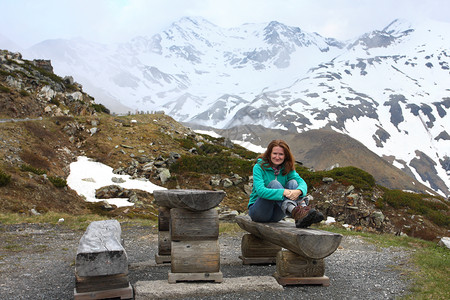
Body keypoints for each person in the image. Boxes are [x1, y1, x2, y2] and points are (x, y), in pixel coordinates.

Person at [248, 139, 324, 228]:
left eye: (281, 154)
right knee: (274, 184)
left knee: (293, 183)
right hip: (259, 212)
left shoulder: (287, 168)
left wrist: (298, 191)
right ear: (269, 154)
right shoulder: (259, 167)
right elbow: (261, 191)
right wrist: (284, 192)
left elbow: (302, 183)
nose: (277, 157)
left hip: (277, 214)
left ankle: (303, 211)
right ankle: (297, 212)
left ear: (285, 156)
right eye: (275, 153)